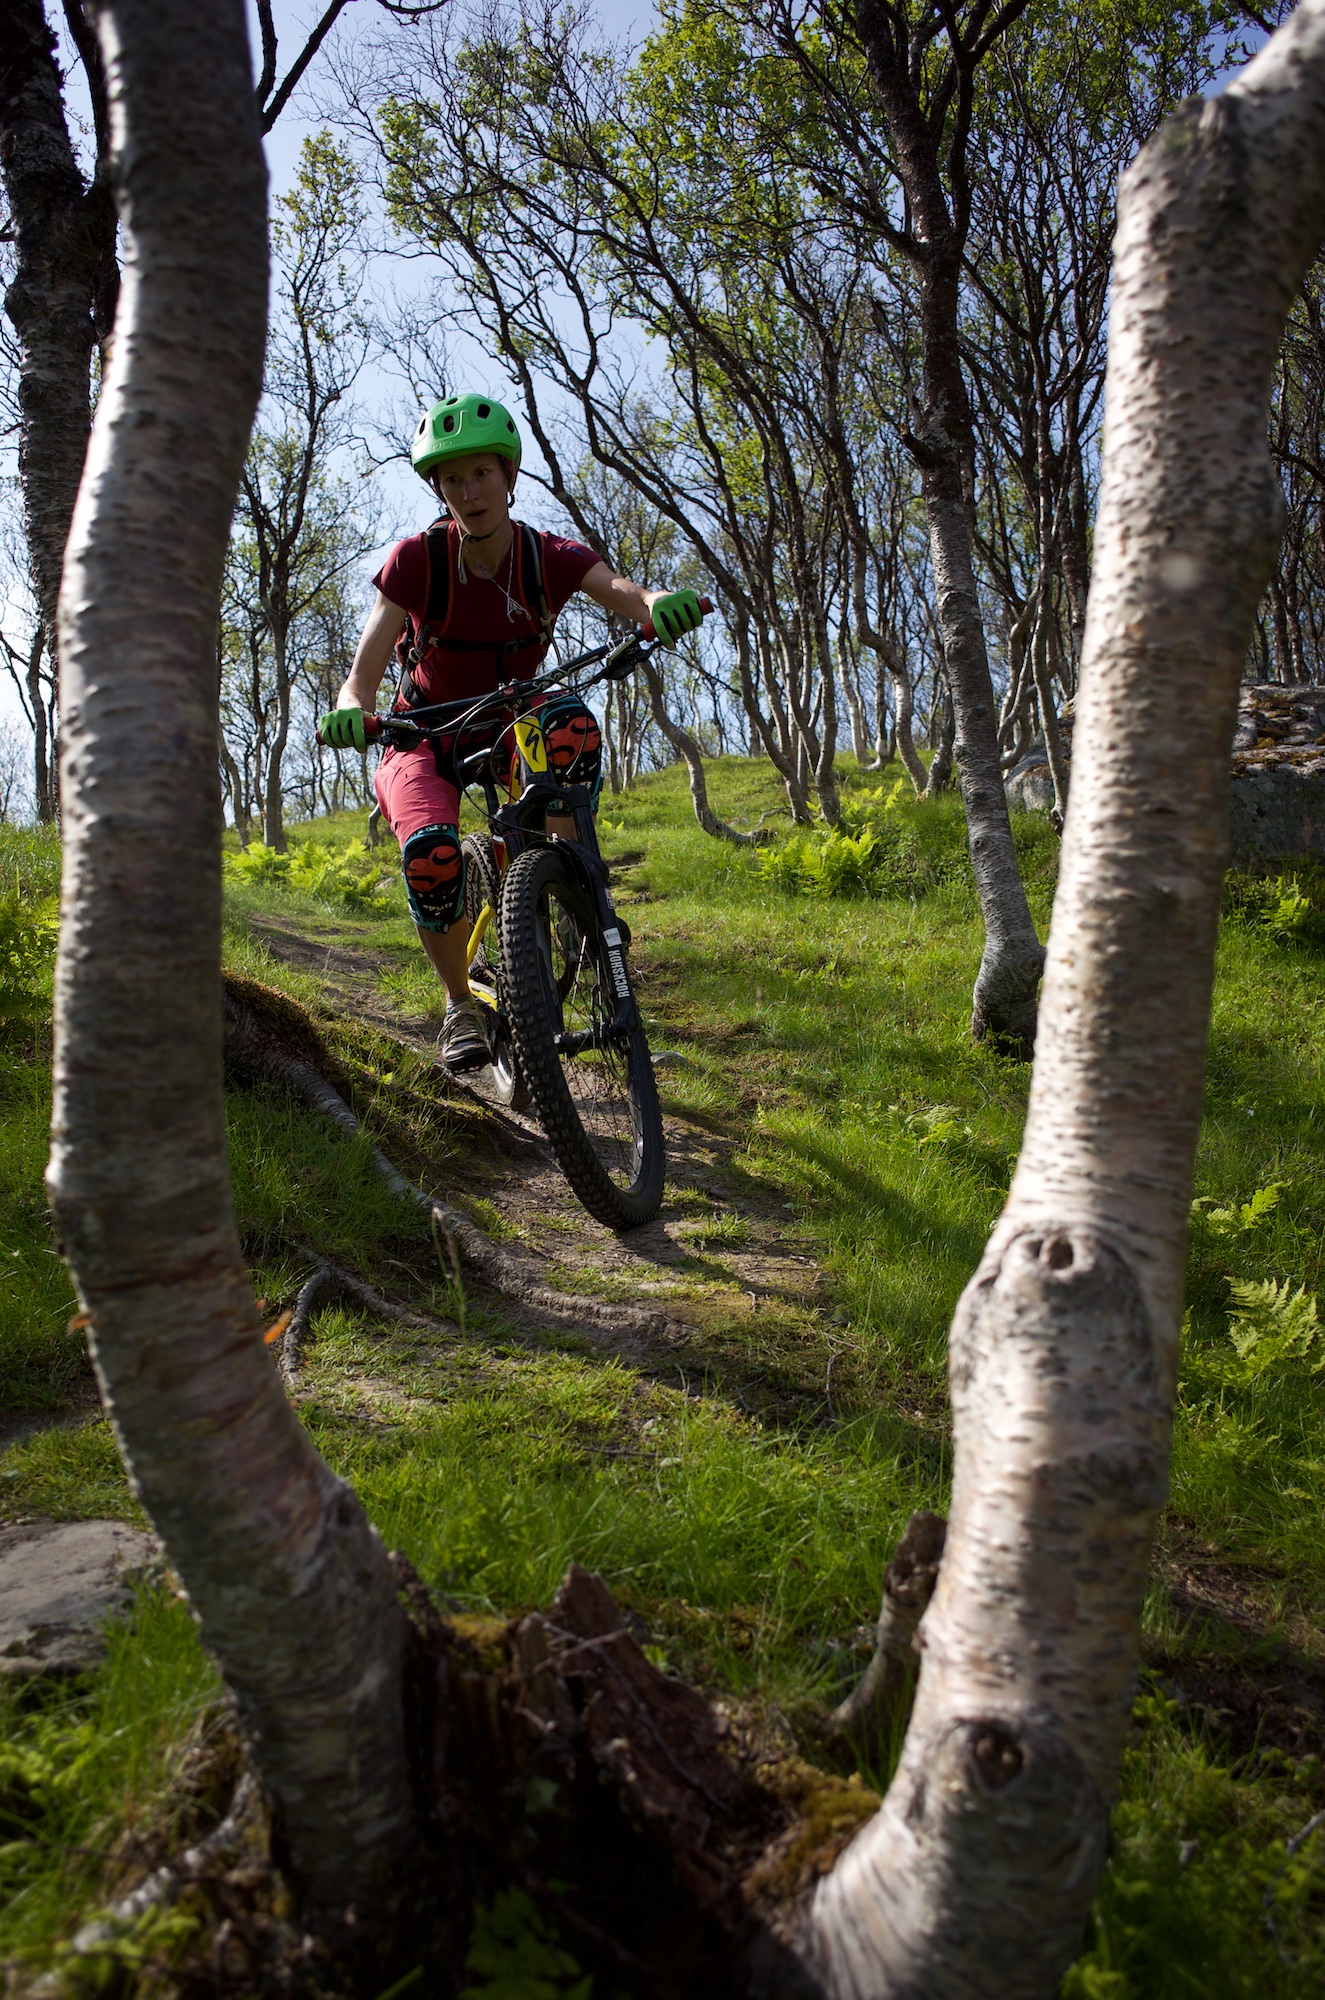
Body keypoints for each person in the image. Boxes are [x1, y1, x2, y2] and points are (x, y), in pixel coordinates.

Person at [318, 392, 702, 1074]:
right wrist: (351, 706)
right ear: (437, 488)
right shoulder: (417, 562)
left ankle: (573, 896)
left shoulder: (545, 556)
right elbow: (363, 674)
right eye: (452, 479)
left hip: (511, 722)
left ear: (509, 476)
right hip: (424, 734)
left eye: (482, 474)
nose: (469, 492)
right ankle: (460, 1006)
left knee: (571, 725)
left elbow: (618, 589)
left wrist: (655, 604)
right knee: (432, 860)